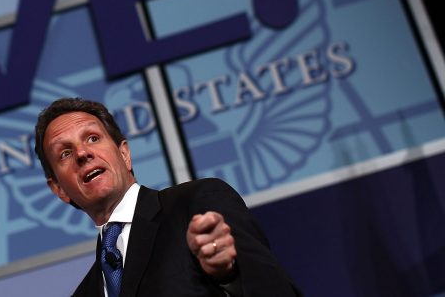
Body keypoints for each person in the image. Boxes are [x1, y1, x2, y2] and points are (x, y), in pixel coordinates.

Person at [34, 97, 302, 297]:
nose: (82, 153)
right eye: (65, 153)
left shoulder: (196, 205)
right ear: (58, 189)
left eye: (92, 138)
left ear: (124, 154)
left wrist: (228, 276)